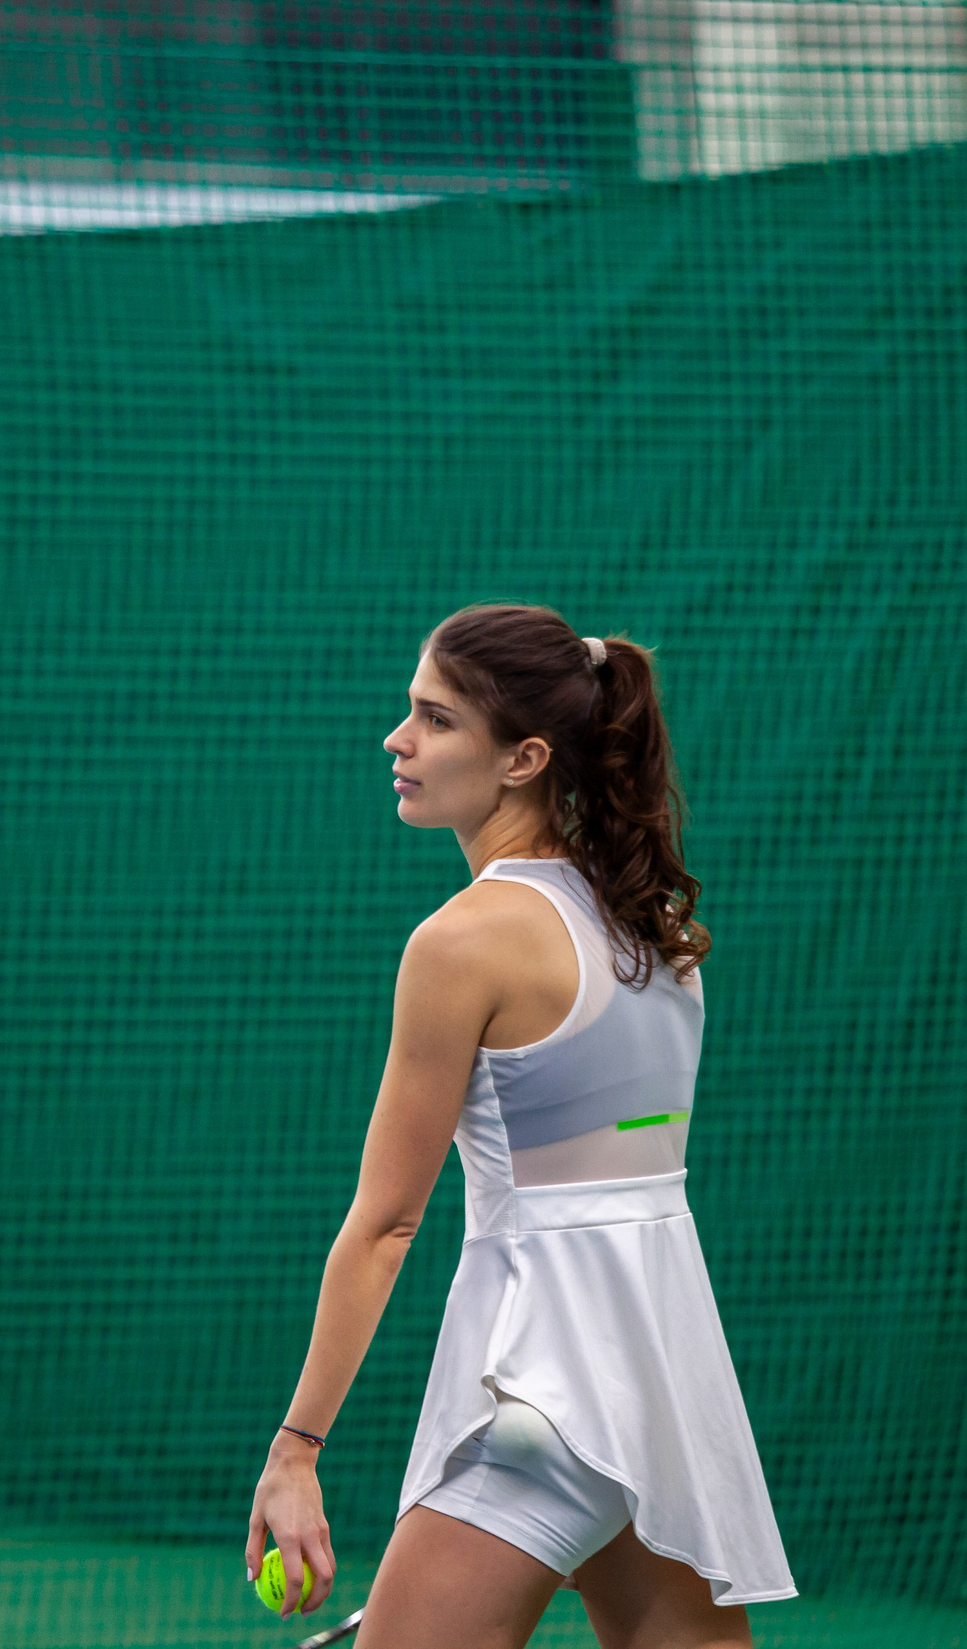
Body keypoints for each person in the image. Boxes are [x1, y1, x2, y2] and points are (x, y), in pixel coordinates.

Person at [247, 604, 793, 1649]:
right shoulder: (655, 926)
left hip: (534, 1398)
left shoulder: (461, 943)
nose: (398, 740)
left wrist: (296, 1448)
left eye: (436, 719)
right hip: (658, 1390)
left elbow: (385, 1225)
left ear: (524, 758)